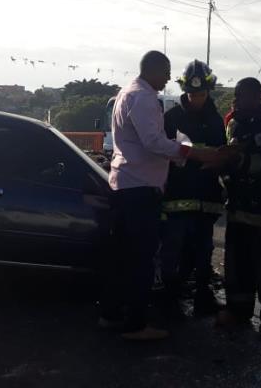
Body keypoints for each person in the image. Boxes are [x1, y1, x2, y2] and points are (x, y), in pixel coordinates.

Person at [100, 50, 224, 341]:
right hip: (140, 188)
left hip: (126, 185)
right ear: (154, 70)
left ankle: (111, 314)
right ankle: (135, 325)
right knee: (142, 259)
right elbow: (154, 142)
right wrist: (189, 151)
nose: (169, 78)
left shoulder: (126, 93)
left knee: (123, 258)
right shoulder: (144, 98)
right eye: (167, 72)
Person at [216, 77, 261, 337]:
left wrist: (239, 161)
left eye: (241, 96)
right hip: (238, 205)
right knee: (236, 261)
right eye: (235, 95)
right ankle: (238, 309)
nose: (236, 100)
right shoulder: (234, 124)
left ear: (256, 98)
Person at [159, 60, 226, 319]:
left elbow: (221, 152)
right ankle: (170, 297)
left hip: (206, 196)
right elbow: (161, 152)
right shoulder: (172, 117)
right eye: (192, 93)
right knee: (172, 248)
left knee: (203, 250)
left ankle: (201, 295)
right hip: (177, 195)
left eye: (201, 93)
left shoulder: (216, 119)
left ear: (208, 91)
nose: (196, 98)